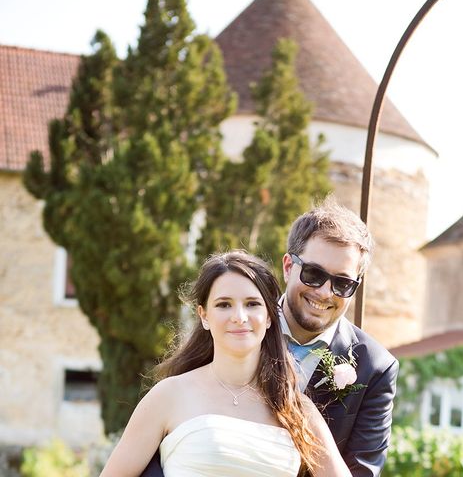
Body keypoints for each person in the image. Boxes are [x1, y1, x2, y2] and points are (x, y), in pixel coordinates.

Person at [101, 251, 350, 476]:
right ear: (204, 316)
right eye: (224, 305)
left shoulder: (297, 409)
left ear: (269, 317)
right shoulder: (168, 395)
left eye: (252, 304)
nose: (239, 317)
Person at [281, 199, 399, 477]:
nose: (324, 292)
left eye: (342, 283)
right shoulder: (236, 326)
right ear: (288, 266)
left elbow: (361, 472)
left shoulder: (375, 367)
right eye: (313, 274)